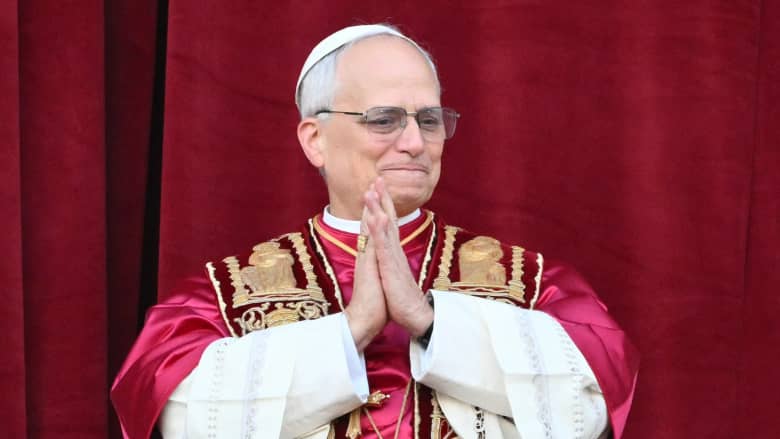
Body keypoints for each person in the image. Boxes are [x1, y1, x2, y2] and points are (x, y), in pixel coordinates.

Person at [112, 24, 639, 439]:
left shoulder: (530, 281)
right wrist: (352, 330)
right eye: (384, 119)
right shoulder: (225, 294)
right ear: (315, 140)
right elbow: (176, 414)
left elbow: (593, 396)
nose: (415, 142)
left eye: (429, 119)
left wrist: (430, 322)